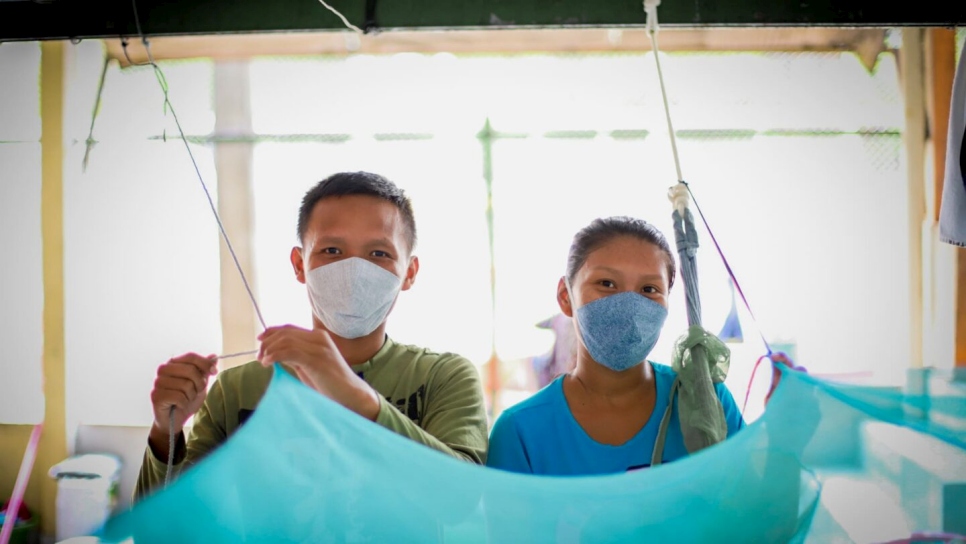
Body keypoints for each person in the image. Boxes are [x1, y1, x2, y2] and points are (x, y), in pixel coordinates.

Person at [135, 172, 489, 500]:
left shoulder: (443, 378)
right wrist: (166, 433)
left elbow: (465, 497)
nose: (353, 271)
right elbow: (165, 531)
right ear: (299, 264)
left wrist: (359, 399)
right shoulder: (236, 391)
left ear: (409, 272)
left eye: (378, 254)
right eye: (332, 250)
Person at [487, 216, 783, 475]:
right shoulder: (521, 432)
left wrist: (788, 435)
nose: (629, 304)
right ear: (566, 296)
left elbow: (761, 521)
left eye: (649, 289)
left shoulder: (704, 403)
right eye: (606, 283)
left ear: (667, 302)